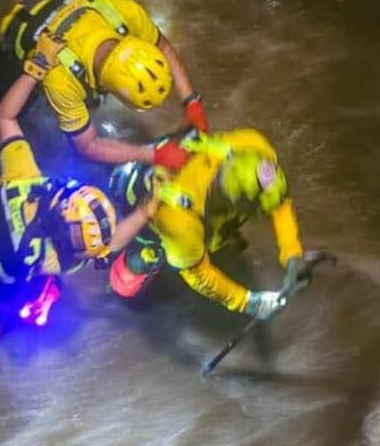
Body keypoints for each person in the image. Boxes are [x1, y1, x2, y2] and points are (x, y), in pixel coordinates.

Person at [0, 111, 157, 356]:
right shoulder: (54, 259)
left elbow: (6, 116)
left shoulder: (23, 181)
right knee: (42, 295)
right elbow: (110, 245)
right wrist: (146, 210)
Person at [0, 0, 209, 174]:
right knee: (41, 139)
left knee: (82, 108)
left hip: (56, 4)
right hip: (12, 50)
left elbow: (163, 47)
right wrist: (152, 155)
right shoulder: (60, 77)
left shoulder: (126, 12)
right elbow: (88, 147)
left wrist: (192, 103)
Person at [107, 127, 308, 318]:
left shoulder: (254, 147)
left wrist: (292, 254)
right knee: (133, 273)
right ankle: (124, 274)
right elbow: (198, 274)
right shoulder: (180, 221)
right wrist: (246, 303)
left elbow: (279, 204)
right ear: (233, 202)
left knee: (208, 235)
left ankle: (214, 235)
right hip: (141, 207)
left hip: (167, 161)